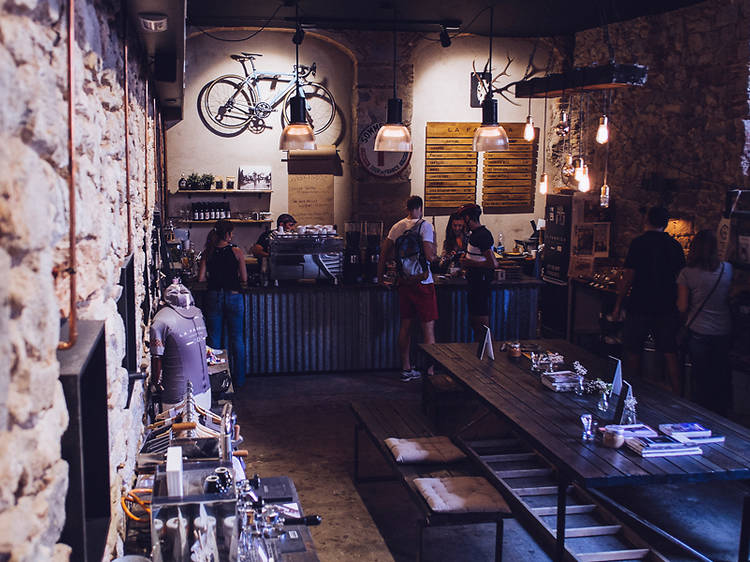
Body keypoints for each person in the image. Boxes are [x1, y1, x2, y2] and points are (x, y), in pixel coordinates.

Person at [612, 206, 686, 393]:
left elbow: (629, 276)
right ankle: (678, 393)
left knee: (634, 349)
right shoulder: (675, 245)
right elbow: (681, 277)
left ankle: (633, 391)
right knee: (669, 351)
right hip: (666, 305)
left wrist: (618, 304)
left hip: (640, 303)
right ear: (666, 223)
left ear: (647, 220)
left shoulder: (639, 243)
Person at [377, 195, 438, 381]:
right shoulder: (425, 226)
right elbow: (428, 257)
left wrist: (380, 278)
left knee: (405, 325)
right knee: (428, 328)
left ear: (407, 208)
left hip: (404, 283)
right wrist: (436, 255)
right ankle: (429, 371)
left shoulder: (397, 226)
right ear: (421, 208)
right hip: (423, 283)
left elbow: (384, 252)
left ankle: (406, 368)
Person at [677, 229, 733, 415]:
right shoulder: (727, 269)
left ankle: (700, 415)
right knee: (720, 375)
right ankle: (721, 414)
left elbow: (682, 306)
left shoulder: (687, 273)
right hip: (723, 330)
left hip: (698, 329)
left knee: (700, 378)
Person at [198, 219, 248, 388]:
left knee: (214, 340)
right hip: (234, 296)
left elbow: (201, 278)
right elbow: (244, 278)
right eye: (231, 233)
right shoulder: (237, 252)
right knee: (237, 339)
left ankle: (217, 381)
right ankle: (239, 380)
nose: (232, 235)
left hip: (213, 296)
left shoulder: (207, 252)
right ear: (227, 234)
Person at [150, 282, 212, 411]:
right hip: (205, 390)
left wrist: (156, 384)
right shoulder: (198, 314)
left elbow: (156, 358)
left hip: (177, 397)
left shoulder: (160, 321)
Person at [458, 204, 498, 341]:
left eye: (463, 219)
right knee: (475, 324)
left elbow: (493, 263)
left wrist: (470, 263)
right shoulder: (474, 235)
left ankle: (489, 358)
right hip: (474, 283)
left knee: (482, 326)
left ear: (468, 218)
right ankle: (481, 357)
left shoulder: (482, 235)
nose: (462, 223)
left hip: (480, 284)